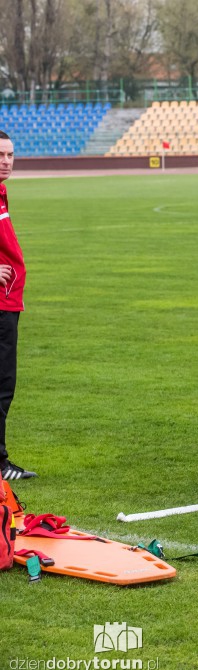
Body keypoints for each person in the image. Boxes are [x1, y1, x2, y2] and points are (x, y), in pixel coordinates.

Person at [0, 131, 33, 481]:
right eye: (0, 155)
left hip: (8, 300)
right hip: (1, 303)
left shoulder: (2, 191)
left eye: (10, 154)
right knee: (2, 384)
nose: (6, 160)